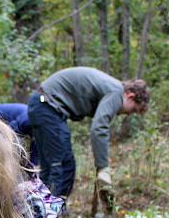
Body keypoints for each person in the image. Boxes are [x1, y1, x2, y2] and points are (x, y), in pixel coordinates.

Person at [27, 67, 150, 202]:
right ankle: (51, 213)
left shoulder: (110, 87)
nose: (128, 114)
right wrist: (103, 168)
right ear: (130, 96)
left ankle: (39, 210)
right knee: (63, 166)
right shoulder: (117, 92)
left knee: (51, 167)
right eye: (132, 109)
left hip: (41, 103)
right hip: (47, 106)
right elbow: (99, 128)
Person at [0, 103, 38, 167]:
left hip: (6, 123)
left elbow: (36, 153)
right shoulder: (32, 117)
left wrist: (32, 168)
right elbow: (11, 130)